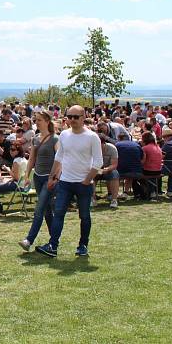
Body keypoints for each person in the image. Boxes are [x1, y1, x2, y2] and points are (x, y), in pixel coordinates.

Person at [36, 105, 102, 258]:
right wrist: (52, 177)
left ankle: (83, 245)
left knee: (84, 216)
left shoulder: (92, 137)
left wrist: (86, 180)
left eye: (75, 117)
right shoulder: (64, 135)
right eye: (69, 116)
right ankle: (53, 245)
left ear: (83, 118)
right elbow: (59, 157)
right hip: (65, 182)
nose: (72, 120)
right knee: (58, 213)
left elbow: (98, 162)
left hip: (83, 184)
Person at [19, 110, 59, 252]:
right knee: (47, 211)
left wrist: (54, 177)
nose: (37, 122)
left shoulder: (55, 139)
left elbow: (60, 160)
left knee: (39, 209)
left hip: (49, 179)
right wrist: (26, 176)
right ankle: (54, 240)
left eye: (39, 120)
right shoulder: (36, 138)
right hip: (38, 177)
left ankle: (29, 240)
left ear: (47, 121)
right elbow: (32, 159)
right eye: (35, 120)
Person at [115, 133, 143, 199]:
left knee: (114, 175)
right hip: (137, 172)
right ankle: (125, 193)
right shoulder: (137, 145)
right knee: (129, 175)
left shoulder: (117, 145)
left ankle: (114, 193)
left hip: (121, 172)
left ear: (119, 139)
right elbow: (142, 158)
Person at [95, 135, 120, 208]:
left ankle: (114, 199)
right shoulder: (91, 149)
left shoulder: (112, 148)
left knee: (115, 174)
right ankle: (92, 199)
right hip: (96, 169)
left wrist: (107, 169)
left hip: (108, 170)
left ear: (103, 143)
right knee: (91, 174)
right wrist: (98, 170)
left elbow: (114, 164)